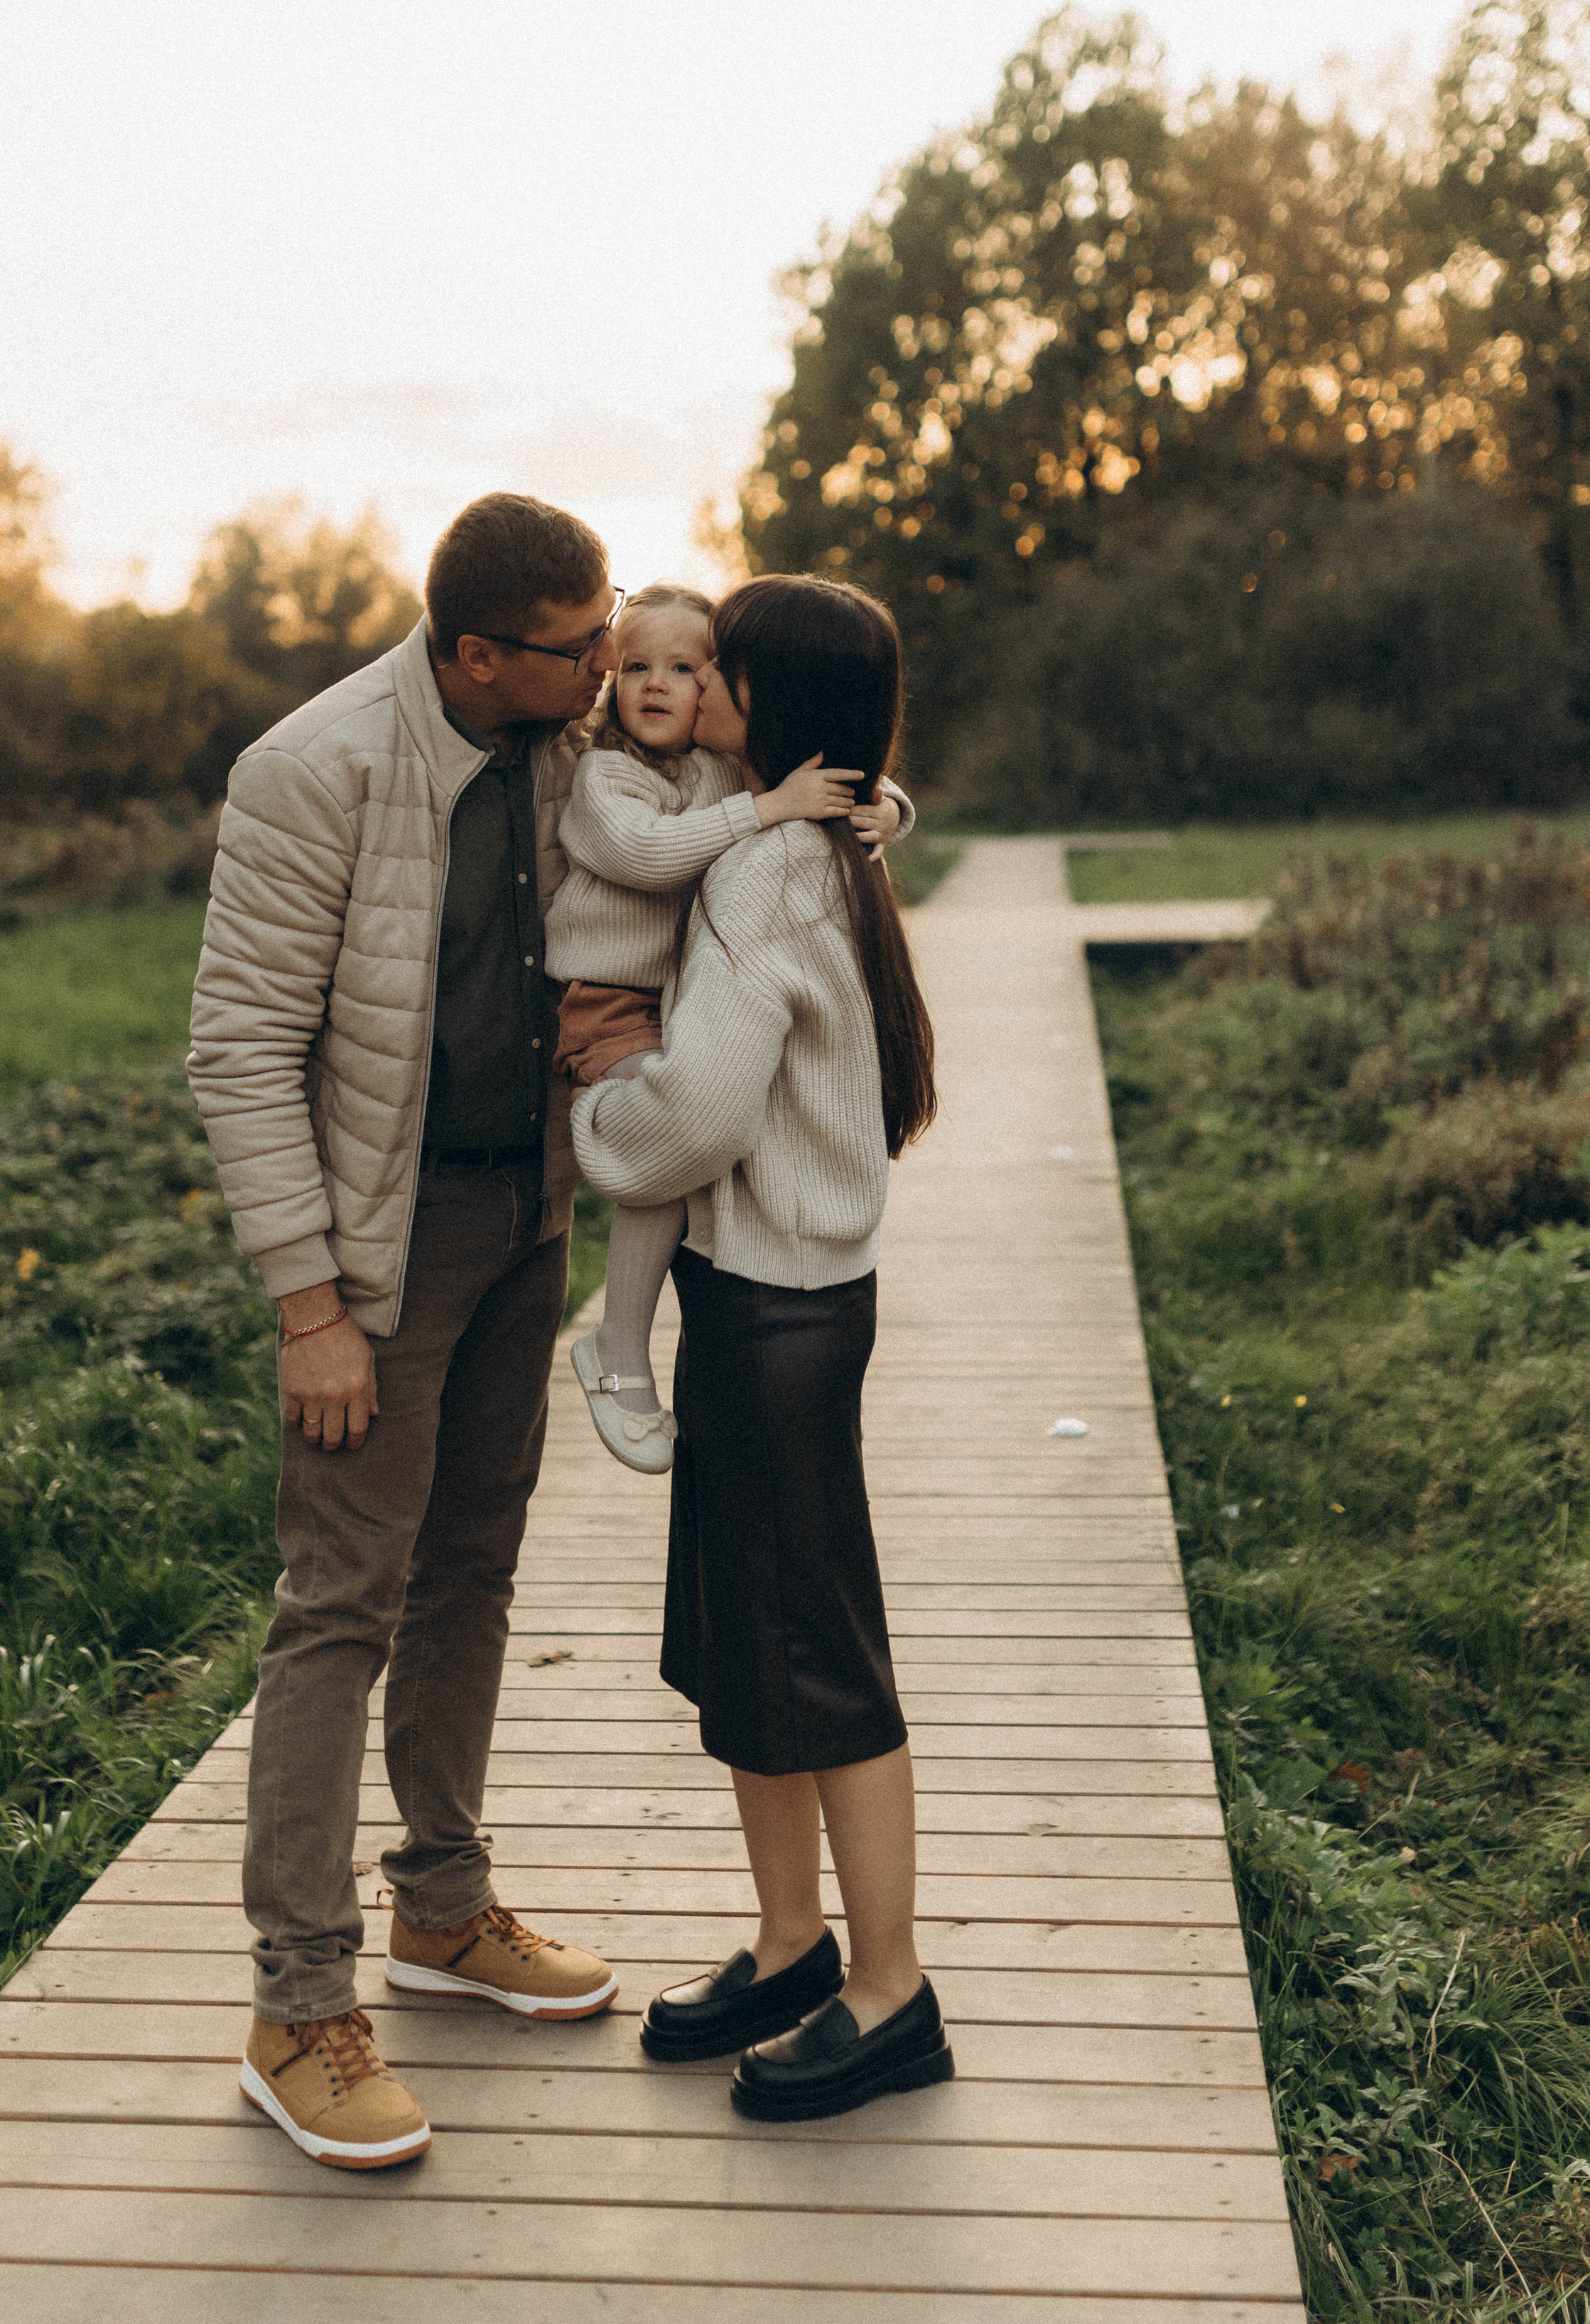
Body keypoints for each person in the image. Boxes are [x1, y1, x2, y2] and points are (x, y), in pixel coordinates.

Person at [188, 492, 624, 2174]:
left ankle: (442, 1906)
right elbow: (237, 1048)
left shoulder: (569, 747)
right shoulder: (312, 769)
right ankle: (297, 2004)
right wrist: (311, 1309)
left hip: (529, 1218)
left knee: (473, 1567)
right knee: (336, 1605)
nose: (601, 670)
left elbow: (726, 798)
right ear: (475, 653)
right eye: (575, 648)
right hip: (376, 1250)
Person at [570, 572, 952, 2121]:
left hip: (777, 1311)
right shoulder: (798, 834)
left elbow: (700, 1105)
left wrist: (597, 1115)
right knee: (749, 1634)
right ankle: (794, 1942)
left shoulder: (768, 870)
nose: (694, 677)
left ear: (766, 700)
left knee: (816, 1650)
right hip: (772, 1295)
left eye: (719, 662)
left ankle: (889, 1990)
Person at [546, 580, 904, 1471]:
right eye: (638, 667)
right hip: (608, 1001)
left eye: (693, 666)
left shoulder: (716, 774)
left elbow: (838, 760)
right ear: (609, 680)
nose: (669, 685)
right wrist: (770, 808)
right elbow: (643, 852)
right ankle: (617, 1344)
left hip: (670, 1003)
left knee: (677, 1148)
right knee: (663, 1171)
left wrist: (888, 809)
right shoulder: (610, 777)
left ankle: (620, 1343)